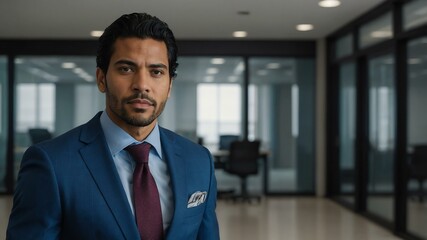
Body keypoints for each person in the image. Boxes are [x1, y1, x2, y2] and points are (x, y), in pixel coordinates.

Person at [7, 12, 219, 240]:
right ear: (101, 78)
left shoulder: (199, 161)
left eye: (156, 72)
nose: (142, 85)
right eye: (126, 69)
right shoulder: (52, 163)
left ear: (169, 86)